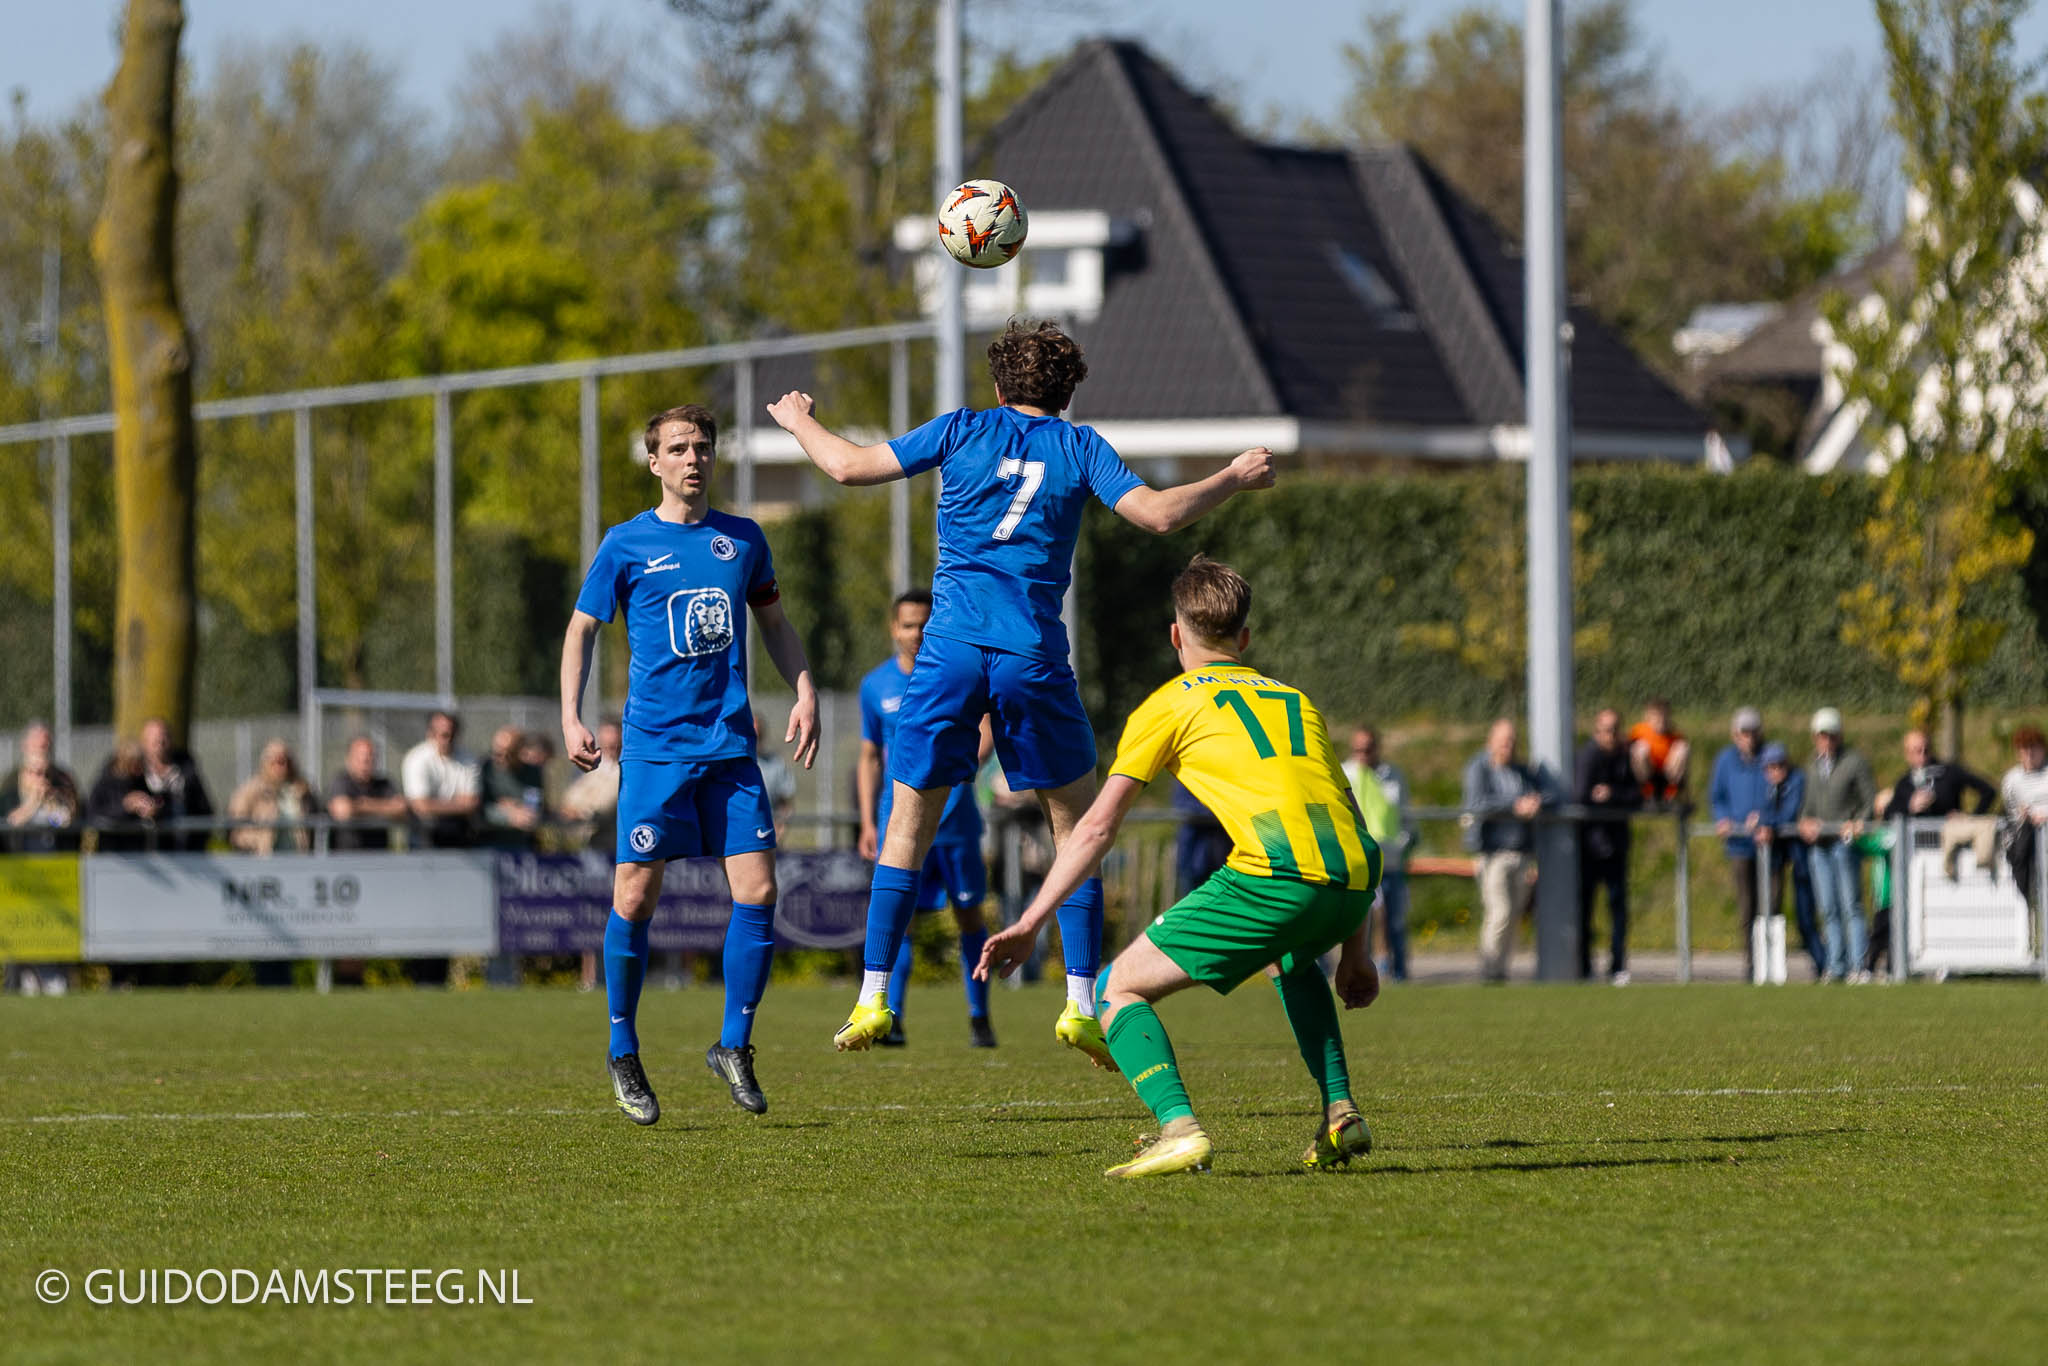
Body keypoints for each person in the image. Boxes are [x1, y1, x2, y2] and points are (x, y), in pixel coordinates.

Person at [766, 318, 1275, 1058]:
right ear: (1067, 393)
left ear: (999, 386)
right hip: (1030, 654)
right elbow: (1160, 516)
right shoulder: (1079, 446)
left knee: (905, 828)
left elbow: (846, 467)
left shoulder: (961, 429)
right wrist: (1233, 476)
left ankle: (873, 997)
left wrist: (799, 420)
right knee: (1075, 830)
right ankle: (1080, 1004)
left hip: (948, 652)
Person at [976, 556, 1380, 1178]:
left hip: (1276, 877)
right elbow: (1352, 823)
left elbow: (1096, 827)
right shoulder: (1296, 701)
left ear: (1174, 635)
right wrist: (1356, 950)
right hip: (1352, 880)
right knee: (1291, 958)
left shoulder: (1168, 705)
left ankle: (1179, 1129)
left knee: (1115, 989)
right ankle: (1340, 1111)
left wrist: (1031, 921)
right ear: (1244, 638)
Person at [561, 402, 819, 1125]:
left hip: (730, 747)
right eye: (677, 448)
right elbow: (581, 630)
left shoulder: (744, 539)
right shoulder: (626, 543)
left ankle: (733, 1044)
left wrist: (804, 689)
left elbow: (775, 623)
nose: (693, 458)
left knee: (759, 891)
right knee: (635, 898)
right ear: (655, 463)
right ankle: (622, 1049)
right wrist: (571, 715)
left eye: (702, 446)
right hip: (656, 752)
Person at [857, 589, 997, 1049]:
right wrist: (867, 822)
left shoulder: (959, 674)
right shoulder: (875, 686)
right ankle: (891, 1017)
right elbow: (869, 756)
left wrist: (954, 767)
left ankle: (979, 1016)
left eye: (924, 624)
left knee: (969, 915)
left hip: (956, 824)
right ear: (893, 629)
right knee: (901, 920)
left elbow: (986, 730)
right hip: (899, 825)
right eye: (908, 625)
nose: (917, 633)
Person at [1869, 729, 1996, 970]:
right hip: (1914, 861)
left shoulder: (1948, 773)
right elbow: (1889, 814)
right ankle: (1896, 964)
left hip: (1946, 857)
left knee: (1946, 909)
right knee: (1906, 911)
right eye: (1916, 751)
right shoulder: (1905, 783)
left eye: (1925, 749)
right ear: (1907, 754)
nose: (1922, 755)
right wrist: (1910, 806)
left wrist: (1969, 818)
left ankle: (1948, 963)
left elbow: (1988, 791)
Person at [1461, 718, 1547, 982]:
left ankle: (1502, 971)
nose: (1508, 746)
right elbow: (1477, 803)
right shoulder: (1479, 768)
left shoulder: (1521, 772)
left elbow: (1548, 793)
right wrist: (1514, 805)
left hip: (1520, 854)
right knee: (1499, 912)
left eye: (1512, 741)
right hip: (1493, 854)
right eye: (1503, 741)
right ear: (1491, 742)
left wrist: (1535, 801)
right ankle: (1489, 969)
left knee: (1515, 915)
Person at [1797, 707, 1876, 983]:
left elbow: (1869, 802)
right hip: (1819, 846)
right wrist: (1804, 822)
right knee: (1828, 907)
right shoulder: (1812, 766)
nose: (1827, 740)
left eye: (1831, 735)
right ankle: (1836, 964)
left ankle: (1858, 965)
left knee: (1851, 904)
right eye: (1822, 735)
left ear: (1840, 735)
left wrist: (1857, 822)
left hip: (1844, 844)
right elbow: (1807, 806)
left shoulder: (1854, 762)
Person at [1574, 708, 1641, 983]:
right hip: (1589, 846)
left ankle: (1617, 965)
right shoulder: (1587, 757)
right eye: (1605, 730)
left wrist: (1612, 794)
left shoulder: (1624, 757)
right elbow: (1579, 794)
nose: (1611, 735)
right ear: (1597, 731)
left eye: (1615, 729)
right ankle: (1584, 966)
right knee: (1585, 908)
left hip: (1616, 845)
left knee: (1618, 908)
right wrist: (1596, 797)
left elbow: (1636, 795)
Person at [1342, 727, 1411, 981]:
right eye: (1358, 749)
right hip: (1356, 863)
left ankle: (1399, 972)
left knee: (1393, 921)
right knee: (1356, 924)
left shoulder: (1393, 776)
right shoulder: (1344, 773)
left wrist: (1405, 844)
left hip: (1388, 859)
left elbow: (1404, 814)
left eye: (1368, 749)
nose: (1363, 754)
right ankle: (1356, 971)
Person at [1708, 707, 1771, 979]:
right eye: (1744, 733)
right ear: (1735, 734)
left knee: (1770, 904)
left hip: (1768, 845)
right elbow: (1717, 796)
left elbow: (1781, 788)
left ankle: (1770, 961)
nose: (1749, 738)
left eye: (1753, 732)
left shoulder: (1769, 756)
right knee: (1747, 905)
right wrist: (1723, 819)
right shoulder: (1725, 760)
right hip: (1739, 845)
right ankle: (1751, 962)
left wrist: (1765, 818)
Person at [1756, 743, 1822, 978]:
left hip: (1802, 856)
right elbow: (1761, 812)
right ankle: (1766, 967)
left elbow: (1790, 813)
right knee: (1768, 910)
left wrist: (1767, 824)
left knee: (1806, 915)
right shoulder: (1768, 788)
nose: (1775, 771)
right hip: (1778, 857)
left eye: (1779, 765)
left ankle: (1823, 964)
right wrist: (1762, 822)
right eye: (1770, 767)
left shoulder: (1797, 781)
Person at [401, 711, 482, 848]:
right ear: (430, 734)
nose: (448, 739)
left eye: (452, 734)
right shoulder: (416, 759)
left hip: (460, 832)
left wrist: (433, 804)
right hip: (424, 834)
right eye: (444, 734)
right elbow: (420, 806)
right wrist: (458, 804)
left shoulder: (469, 760)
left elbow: (471, 803)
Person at [2, 722, 80, 852]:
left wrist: (52, 802)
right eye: (35, 773)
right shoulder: (10, 783)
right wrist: (33, 802)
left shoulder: (62, 781)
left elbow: (64, 821)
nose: (41, 778)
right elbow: (8, 824)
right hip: (20, 858)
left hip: (58, 856)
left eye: (45, 745)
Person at [227, 739, 314, 854]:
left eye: (286, 762)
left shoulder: (301, 790)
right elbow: (236, 829)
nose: (282, 767)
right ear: (266, 763)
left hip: (297, 858)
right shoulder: (250, 791)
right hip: (264, 859)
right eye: (277, 762)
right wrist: (259, 841)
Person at [140, 717, 214, 851]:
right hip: (145, 852)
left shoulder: (187, 771)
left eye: (164, 737)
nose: (161, 742)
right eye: (155, 739)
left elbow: (204, 809)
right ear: (144, 742)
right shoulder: (136, 773)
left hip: (185, 851)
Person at [327, 735, 410, 851]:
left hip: (379, 855)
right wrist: (384, 808)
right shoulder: (341, 782)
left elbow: (401, 809)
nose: (365, 763)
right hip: (345, 856)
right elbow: (343, 810)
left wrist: (361, 805)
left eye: (370, 758)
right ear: (349, 759)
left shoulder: (384, 784)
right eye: (360, 758)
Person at [1998, 726, 2048, 909]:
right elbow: (2011, 811)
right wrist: (2023, 815)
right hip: (2027, 835)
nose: (2029, 754)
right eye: (2024, 749)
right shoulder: (2011, 780)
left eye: (2033, 748)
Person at [480, 725, 546, 850]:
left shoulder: (532, 773)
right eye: (497, 753)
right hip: (488, 841)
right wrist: (508, 816)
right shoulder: (485, 770)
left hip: (521, 842)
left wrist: (508, 805)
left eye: (508, 753)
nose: (501, 758)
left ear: (520, 752)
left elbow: (533, 808)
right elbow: (479, 810)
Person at [1628, 697, 1689, 805]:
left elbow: (1682, 766)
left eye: (1664, 717)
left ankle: (1672, 794)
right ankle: (1647, 793)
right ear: (1648, 717)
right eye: (1656, 717)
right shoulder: (1638, 732)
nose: (1661, 721)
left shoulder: (1675, 736)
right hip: (1648, 775)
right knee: (1640, 749)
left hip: (1667, 775)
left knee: (1683, 748)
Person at [753, 710, 799, 838]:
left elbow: (786, 803)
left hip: (766, 835)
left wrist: (779, 831)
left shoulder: (776, 764)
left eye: (758, 735)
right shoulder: (731, 765)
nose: (755, 740)